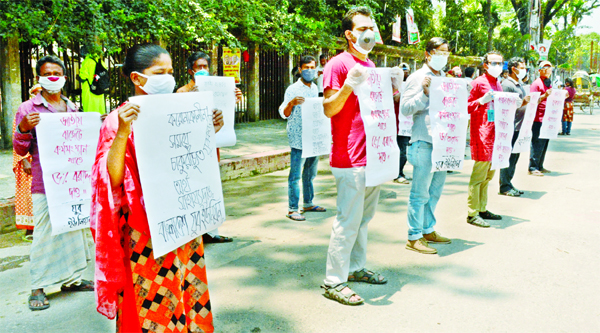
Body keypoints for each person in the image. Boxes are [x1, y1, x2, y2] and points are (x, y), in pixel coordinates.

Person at [91, 44, 221, 332]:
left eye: (171, 72)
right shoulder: (118, 120)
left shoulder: (180, 111)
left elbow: (195, 163)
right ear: (137, 78)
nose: (169, 78)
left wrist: (210, 130)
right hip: (145, 233)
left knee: (186, 290)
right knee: (152, 304)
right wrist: (124, 132)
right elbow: (110, 181)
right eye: (159, 72)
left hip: (183, 225)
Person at [321, 6, 398, 305]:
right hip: (349, 157)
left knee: (363, 219)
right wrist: (348, 86)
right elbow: (329, 108)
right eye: (363, 28)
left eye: (372, 27)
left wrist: (395, 89)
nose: (370, 32)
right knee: (347, 220)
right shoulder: (338, 65)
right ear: (350, 34)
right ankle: (333, 281)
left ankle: (355, 268)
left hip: (373, 155)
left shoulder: (372, 66)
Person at [13, 55, 94, 311]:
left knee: (73, 230)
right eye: (47, 73)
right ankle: (38, 286)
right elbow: (19, 147)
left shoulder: (72, 108)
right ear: (39, 77)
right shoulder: (28, 109)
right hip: (45, 183)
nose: (52, 77)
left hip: (73, 182)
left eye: (56, 73)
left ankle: (72, 280)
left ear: (65, 78)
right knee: (45, 235)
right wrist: (23, 129)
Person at [177, 51, 242, 243]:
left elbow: (224, 111)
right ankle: (193, 232)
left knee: (212, 186)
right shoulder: (182, 92)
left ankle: (211, 231)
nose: (204, 70)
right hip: (191, 148)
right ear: (191, 70)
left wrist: (234, 99)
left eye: (206, 66)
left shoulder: (215, 88)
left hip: (211, 144)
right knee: (193, 187)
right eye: (199, 67)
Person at [399, 37, 453, 254]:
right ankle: (413, 236)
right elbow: (405, 108)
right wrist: (424, 93)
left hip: (443, 143)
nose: (443, 56)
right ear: (428, 53)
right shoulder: (418, 77)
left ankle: (427, 228)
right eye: (440, 52)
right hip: (424, 141)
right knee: (419, 192)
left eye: (446, 53)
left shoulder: (445, 78)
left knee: (435, 190)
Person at [279, 55, 326, 221]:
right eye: (306, 67)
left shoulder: (315, 88)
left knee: (310, 173)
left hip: (312, 136)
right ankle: (293, 208)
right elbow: (284, 113)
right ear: (300, 70)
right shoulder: (292, 89)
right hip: (298, 138)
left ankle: (308, 202)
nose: (309, 70)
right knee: (296, 174)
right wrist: (291, 103)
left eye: (312, 67)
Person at [466, 51, 504, 228]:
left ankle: (482, 208)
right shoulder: (478, 83)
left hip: (495, 133)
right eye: (494, 63)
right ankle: (472, 212)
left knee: (488, 175)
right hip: (482, 134)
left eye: (500, 63)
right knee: (479, 175)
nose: (498, 66)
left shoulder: (498, 83)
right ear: (486, 64)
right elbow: (465, 106)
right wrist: (481, 101)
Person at [12, 84, 42, 241]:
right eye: (35, 92)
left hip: (42, 161)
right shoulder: (25, 111)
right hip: (27, 160)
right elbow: (16, 134)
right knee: (28, 194)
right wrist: (23, 160)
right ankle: (29, 229)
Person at [499, 57, 531, 197]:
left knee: (514, 157)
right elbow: (506, 106)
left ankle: (509, 183)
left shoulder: (518, 84)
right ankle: (504, 186)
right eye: (522, 67)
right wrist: (524, 102)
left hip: (519, 126)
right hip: (510, 127)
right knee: (509, 157)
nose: (524, 70)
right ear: (514, 68)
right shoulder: (507, 84)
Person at [529, 61, 555, 176]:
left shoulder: (548, 84)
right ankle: (533, 167)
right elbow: (532, 100)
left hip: (547, 118)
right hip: (537, 119)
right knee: (537, 143)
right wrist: (545, 95)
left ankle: (540, 165)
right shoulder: (536, 84)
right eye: (545, 68)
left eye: (550, 68)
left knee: (544, 143)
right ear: (540, 70)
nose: (548, 70)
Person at [394, 63, 411, 184]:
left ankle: (399, 172)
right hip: (394, 124)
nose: (404, 73)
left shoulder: (410, 86)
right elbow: (396, 98)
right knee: (397, 151)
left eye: (406, 71)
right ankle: (397, 174)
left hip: (406, 124)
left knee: (403, 151)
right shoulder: (393, 86)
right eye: (402, 71)